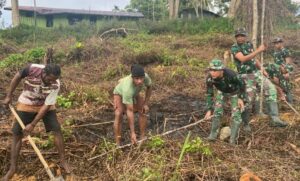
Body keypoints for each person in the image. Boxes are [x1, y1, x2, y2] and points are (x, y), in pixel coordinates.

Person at [2, 64, 70, 181]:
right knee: (17, 134)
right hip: (26, 102)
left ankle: (63, 161)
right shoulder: (32, 69)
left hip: (44, 104)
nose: (51, 82)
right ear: (44, 73)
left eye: (54, 80)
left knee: (56, 129)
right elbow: (17, 77)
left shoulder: (56, 84)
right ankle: (12, 168)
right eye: (49, 79)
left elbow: (47, 105)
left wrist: (32, 124)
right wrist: (9, 95)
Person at [231, 28, 288, 128]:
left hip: (256, 73)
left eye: (242, 36)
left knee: (271, 89)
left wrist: (262, 69)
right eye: (238, 36)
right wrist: (259, 50)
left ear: (245, 36)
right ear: (236, 37)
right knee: (248, 99)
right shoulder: (234, 47)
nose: (240, 38)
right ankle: (245, 123)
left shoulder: (249, 44)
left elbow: (254, 59)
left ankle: (275, 118)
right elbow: (243, 59)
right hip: (245, 75)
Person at [204, 59, 247, 145]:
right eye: (211, 70)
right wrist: (209, 110)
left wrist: (241, 98)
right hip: (222, 91)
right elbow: (209, 93)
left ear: (221, 70)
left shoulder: (231, 75)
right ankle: (213, 135)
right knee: (217, 112)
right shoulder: (209, 78)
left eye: (215, 70)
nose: (212, 72)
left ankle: (232, 140)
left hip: (234, 92)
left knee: (236, 116)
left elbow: (242, 84)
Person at [113, 64, 152, 146]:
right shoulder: (128, 88)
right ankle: (118, 143)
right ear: (132, 78)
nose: (140, 81)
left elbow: (149, 87)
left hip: (134, 93)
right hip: (119, 93)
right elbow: (129, 111)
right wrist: (133, 133)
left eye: (141, 78)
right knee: (119, 114)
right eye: (137, 79)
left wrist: (145, 103)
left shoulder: (146, 77)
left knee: (143, 110)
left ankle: (142, 138)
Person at [272, 37, 294, 103]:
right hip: (277, 72)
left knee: (286, 87)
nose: (276, 44)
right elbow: (275, 63)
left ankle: (290, 102)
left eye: (278, 43)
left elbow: (288, 62)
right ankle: (284, 102)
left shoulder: (285, 51)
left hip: (284, 71)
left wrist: (287, 72)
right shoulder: (275, 53)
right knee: (280, 86)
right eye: (275, 43)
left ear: (281, 43)